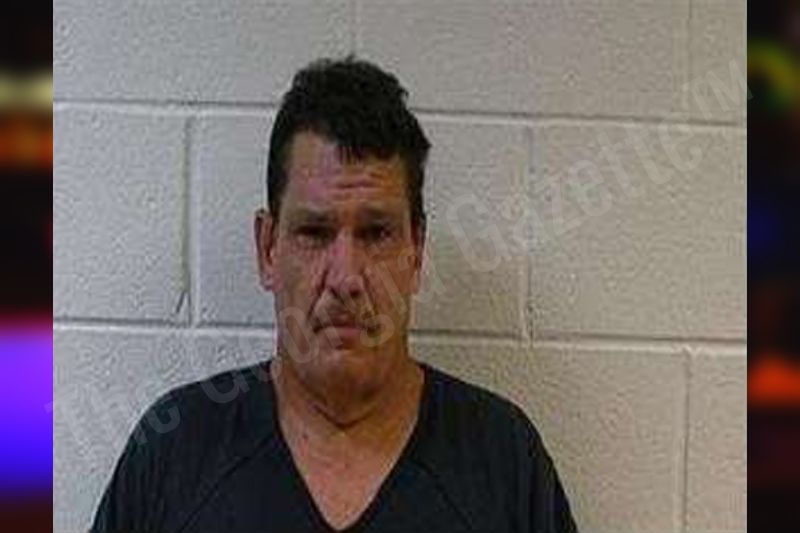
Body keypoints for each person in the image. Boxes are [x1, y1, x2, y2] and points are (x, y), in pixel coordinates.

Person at [91, 56, 578, 533]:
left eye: (376, 233)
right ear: (267, 248)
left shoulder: (503, 462)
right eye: (314, 232)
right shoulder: (175, 453)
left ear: (416, 251)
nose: (345, 277)